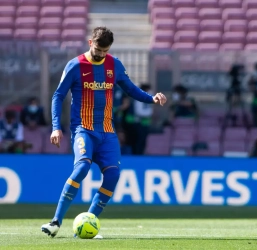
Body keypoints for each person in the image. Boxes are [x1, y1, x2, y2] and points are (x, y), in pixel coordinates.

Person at [41, 26, 167, 238]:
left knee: (113, 175)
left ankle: (89, 222)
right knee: (82, 168)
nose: (100, 55)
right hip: (84, 129)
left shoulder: (114, 64)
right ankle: (55, 221)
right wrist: (56, 127)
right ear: (91, 43)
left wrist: (151, 98)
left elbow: (131, 89)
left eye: (104, 51)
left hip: (107, 132)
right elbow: (58, 96)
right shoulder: (75, 65)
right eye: (98, 50)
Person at [123, 83, 153, 155]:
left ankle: (139, 154)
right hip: (136, 123)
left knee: (141, 141)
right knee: (137, 142)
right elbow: (139, 111)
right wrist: (149, 114)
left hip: (143, 123)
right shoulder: (139, 97)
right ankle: (136, 155)